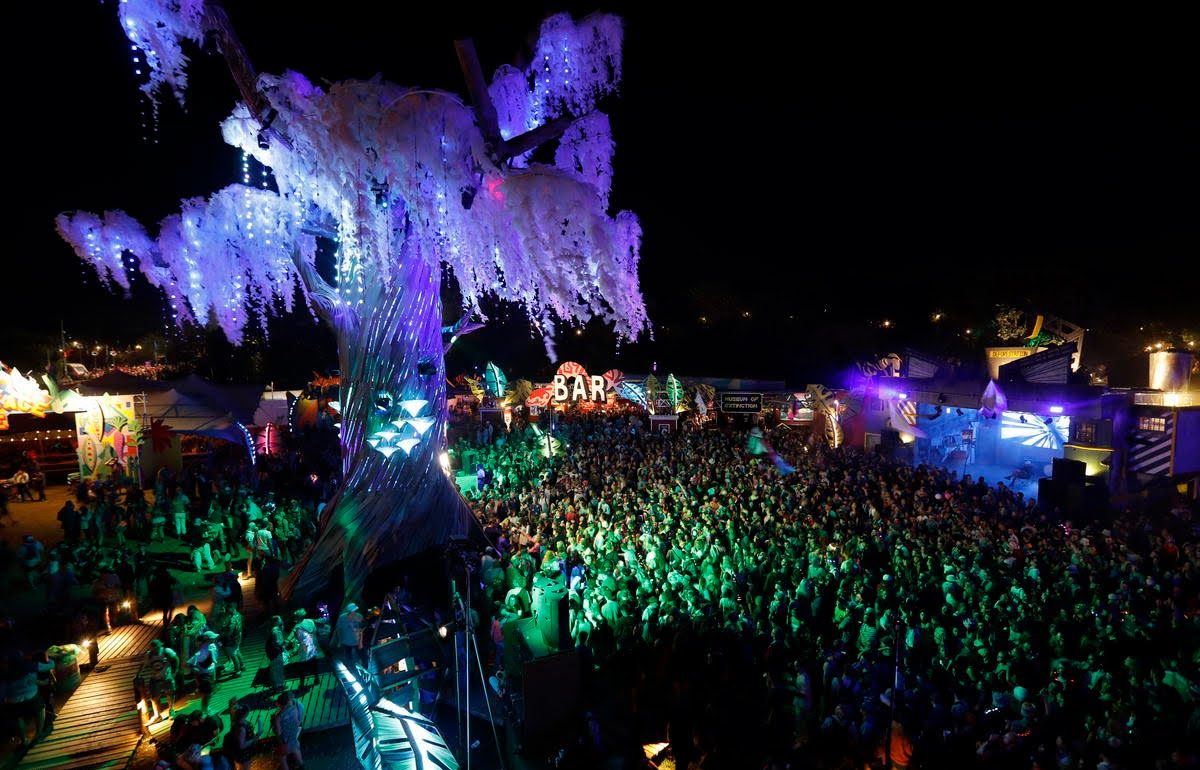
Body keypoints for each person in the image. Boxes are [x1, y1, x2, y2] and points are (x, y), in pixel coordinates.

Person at [137, 639, 180, 729]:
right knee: (154, 698)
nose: (155, 649)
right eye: (153, 647)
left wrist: (175, 671)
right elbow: (144, 665)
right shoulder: (149, 654)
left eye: (157, 647)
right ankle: (157, 715)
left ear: (160, 645)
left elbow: (176, 659)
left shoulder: (167, 651)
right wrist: (138, 674)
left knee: (170, 694)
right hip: (155, 678)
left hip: (166, 678)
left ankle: (171, 710)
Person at [188, 630, 220, 715]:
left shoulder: (211, 646)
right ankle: (204, 711)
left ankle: (206, 709)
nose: (214, 639)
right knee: (207, 694)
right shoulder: (202, 650)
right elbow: (190, 663)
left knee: (209, 692)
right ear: (207, 639)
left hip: (210, 672)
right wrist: (195, 671)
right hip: (204, 675)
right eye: (212, 638)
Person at [272, 689, 305, 770]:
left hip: (285, 741)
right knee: (296, 748)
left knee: (282, 758)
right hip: (293, 737)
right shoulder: (295, 709)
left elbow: (278, 733)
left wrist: (281, 745)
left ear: (279, 704)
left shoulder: (278, 717)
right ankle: (301, 766)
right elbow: (298, 722)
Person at [288, 609, 319, 689]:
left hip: (304, 646)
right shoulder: (310, 621)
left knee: (302, 665)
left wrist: (287, 640)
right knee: (313, 662)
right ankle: (316, 678)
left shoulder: (297, 626)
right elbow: (315, 631)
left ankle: (302, 683)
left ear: (298, 617)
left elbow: (294, 635)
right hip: (311, 644)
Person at [222, 701, 256, 770]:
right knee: (245, 768)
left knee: (242, 767)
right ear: (246, 714)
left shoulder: (235, 722)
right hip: (243, 754)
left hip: (238, 753)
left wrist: (231, 705)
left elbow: (233, 714)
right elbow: (241, 746)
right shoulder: (241, 729)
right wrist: (254, 738)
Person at [265, 615, 288, 692]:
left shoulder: (273, 629)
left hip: (272, 653)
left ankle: (275, 685)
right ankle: (279, 686)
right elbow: (278, 643)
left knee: (274, 669)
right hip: (276, 653)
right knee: (278, 669)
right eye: (280, 619)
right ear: (276, 622)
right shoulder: (276, 631)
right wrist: (284, 643)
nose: (281, 620)